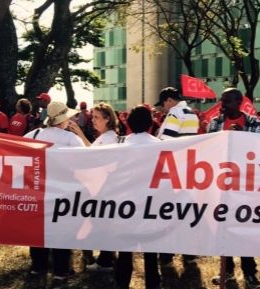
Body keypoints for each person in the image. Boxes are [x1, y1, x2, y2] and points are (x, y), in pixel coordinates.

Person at [206, 88, 260, 289]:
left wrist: (242, 141)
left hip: (245, 187)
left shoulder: (253, 123)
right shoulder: (215, 123)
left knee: (243, 230)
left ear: (239, 102)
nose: (222, 105)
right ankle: (227, 270)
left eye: (227, 101)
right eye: (222, 100)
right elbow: (209, 150)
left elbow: (259, 149)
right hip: (222, 187)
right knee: (224, 229)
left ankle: (250, 273)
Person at [23, 101, 83, 280]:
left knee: (38, 228)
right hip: (63, 192)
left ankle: (38, 266)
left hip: (37, 189)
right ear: (64, 119)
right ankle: (61, 269)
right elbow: (84, 163)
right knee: (61, 229)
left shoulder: (32, 135)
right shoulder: (71, 139)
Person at [115, 105, 162, 289]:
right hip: (151, 205)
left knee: (125, 252)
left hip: (125, 205)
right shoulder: (160, 145)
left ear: (129, 123)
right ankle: (153, 284)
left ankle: (122, 284)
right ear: (151, 123)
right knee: (151, 252)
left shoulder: (120, 144)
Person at [70, 102, 120, 271]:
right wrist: (81, 134)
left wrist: (79, 134)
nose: (93, 121)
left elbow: (94, 157)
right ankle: (107, 257)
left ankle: (106, 261)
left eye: (97, 118)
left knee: (101, 223)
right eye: (93, 117)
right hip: (101, 186)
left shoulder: (109, 138)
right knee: (100, 222)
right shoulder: (106, 136)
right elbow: (93, 151)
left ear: (108, 119)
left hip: (104, 187)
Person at [154, 87, 199, 266]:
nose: (163, 109)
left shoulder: (174, 114)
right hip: (187, 168)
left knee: (168, 212)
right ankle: (189, 253)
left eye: (163, 105)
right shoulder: (192, 114)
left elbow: (166, 142)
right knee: (185, 212)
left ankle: (166, 255)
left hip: (172, 170)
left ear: (169, 100)